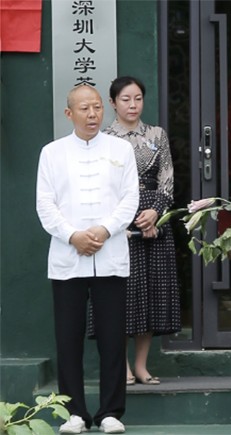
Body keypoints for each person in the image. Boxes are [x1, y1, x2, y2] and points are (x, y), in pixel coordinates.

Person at [36, 85, 139, 434]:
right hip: (68, 257)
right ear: (70, 114)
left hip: (109, 254)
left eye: (97, 107)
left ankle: (111, 412)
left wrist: (104, 230)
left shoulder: (121, 149)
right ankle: (74, 413)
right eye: (85, 108)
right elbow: (45, 205)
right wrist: (72, 236)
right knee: (68, 338)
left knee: (112, 337)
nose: (93, 114)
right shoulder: (51, 153)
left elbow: (129, 199)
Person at [87, 76, 181, 386]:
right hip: (117, 224)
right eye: (126, 99)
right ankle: (123, 367)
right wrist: (120, 224)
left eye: (138, 98)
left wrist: (156, 213)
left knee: (152, 295)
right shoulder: (103, 138)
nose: (133, 105)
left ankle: (141, 366)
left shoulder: (157, 134)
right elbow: (99, 186)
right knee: (124, 297)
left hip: (154, 219)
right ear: (112, 103)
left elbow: (167, 179)